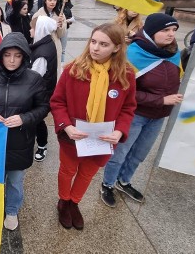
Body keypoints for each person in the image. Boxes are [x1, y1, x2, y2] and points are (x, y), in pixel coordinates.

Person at [50, 23, 136, 230]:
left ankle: (74, 203)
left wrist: (119, 130)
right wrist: (67, 127)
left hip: (101, 140)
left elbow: (128, 107)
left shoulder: (126, 74)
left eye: (103, 44)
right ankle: (63, 201)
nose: (95, 48)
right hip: (74, 135)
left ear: (116, 47)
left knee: (87, 174)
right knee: (67, 170)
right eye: (93, 42)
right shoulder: (73, 69)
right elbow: (57, 102)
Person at [101, 13, 182, 207]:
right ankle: (108, 184)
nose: (171, 35)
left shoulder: (174, 52)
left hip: (159, 115)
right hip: (136, 115)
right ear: (152, 32)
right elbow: (123, 92)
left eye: (173, 30)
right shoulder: (134, 54)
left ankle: (124, 180)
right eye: (165, 30)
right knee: (120, 153)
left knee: (140, 154)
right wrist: (161, 99)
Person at [0, 33, 48, 231]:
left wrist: (24, 118)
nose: (12, 60)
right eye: (7, 55)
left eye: (17, 55)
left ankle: (12, 210)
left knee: (15, 181)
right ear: (0, 56)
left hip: (19, 142)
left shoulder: (34, 79)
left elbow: (43, 107)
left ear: (24, 56)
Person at [29, 16, 59, 161]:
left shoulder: (42, 53)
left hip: (41, 94)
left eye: (32, 28)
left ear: (39, 29)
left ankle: (42, 145)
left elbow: (34, 78)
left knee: (37, 120)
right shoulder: (45, 43)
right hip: (44, 91)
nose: (30, 30)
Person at [33, 0, 67, 71]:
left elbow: (60, 35)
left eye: (55, 0)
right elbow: (35, 32)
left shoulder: (60, 15)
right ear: (45, 0)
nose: (52, 2)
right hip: (42, 46)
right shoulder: (38, 14)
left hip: (55, 46)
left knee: (54, 70)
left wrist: (61, 25)